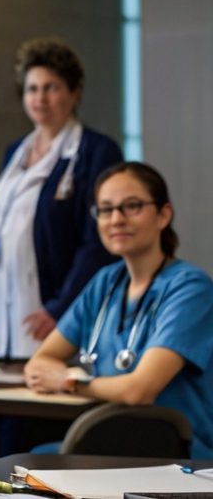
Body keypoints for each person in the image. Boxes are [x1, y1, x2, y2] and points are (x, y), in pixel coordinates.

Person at [24, 161, 213, 458]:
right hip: (114, 443)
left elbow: (139, 391)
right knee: (30, 460)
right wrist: (64, 377)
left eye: (132, 206)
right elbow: (41, 361)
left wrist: (69, 382)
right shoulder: (105, 283)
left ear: (164, 215)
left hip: (179, 456)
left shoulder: (191, 288)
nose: (116, 219)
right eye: (106, 209)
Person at [0, 38, 123, 360]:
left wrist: (62, 306)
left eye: (52, 88)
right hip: (4, 312)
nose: (40, 98)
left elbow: (98, 245)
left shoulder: (96, 152)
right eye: (32, 89)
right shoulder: (14, 153)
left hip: (55, 315)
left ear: (75, 93)